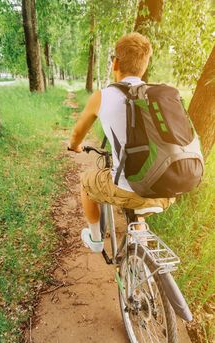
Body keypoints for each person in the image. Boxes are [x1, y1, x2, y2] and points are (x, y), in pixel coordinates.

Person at [68, 32, 173, 253]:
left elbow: (77, 133)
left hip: (128, 189)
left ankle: (95, 240)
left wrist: (75, 146)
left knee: (87, 183)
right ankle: (141, 240)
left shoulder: (102, 96)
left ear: (115, 62)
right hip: (168, 189)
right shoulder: (158, 95)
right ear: (144, 66)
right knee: (143, 184)